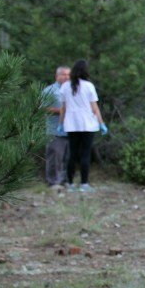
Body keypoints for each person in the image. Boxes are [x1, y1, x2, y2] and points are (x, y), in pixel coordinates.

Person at [59, 60, 107, 193]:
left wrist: (60, 124)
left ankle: (70, 183)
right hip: (88, 124)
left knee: (72, 154)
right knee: (85, 154)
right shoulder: (88, 86)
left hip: (72, 124)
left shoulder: (65, 86)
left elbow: (63, 108)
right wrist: (101, 123)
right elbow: (94, 108)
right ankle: (84, 184)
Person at [42, 66, 71, 187]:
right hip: (55, 130)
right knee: (55, 157)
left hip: (71, 130)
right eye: (63, 74)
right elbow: (42, 108)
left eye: (69, 75)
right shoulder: (49, 91)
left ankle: (65, 181)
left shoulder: (73, 90)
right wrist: (62, 111)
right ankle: (53, 182)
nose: (66, 77)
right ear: (57, 76)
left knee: (68, 157)